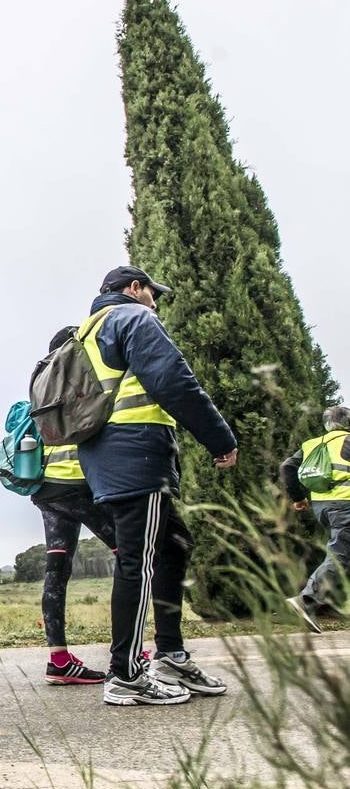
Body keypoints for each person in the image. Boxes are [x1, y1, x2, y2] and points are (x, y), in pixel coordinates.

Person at [76, 267, 238, 707]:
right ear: (134, 289)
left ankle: (169, 655)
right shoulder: (133, 319)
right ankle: (126, 673)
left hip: (107, 455)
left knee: (174, 545)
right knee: (138, 560)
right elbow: (173, 381)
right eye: (153, 292)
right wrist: (220, 438)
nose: (156, 301)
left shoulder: (86, 331)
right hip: (135, 453)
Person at [32, 327, 118, 685]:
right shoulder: (79, 381)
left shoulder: (40, 385)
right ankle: (129, 654)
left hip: (46, 491)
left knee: (57, 570)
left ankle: (59, 659)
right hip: (79, 487)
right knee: (131, 555)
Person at [279, 405, 350, 633]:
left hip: (323, 506)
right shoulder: (348, 441)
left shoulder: (312, 444)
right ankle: (305, 601)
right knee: (340, 556)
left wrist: (298, 498)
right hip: (345, 504)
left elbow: (287, 466)